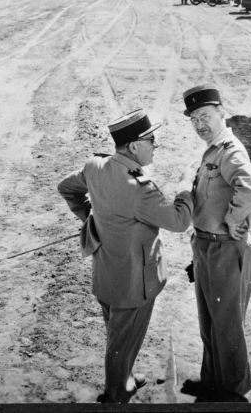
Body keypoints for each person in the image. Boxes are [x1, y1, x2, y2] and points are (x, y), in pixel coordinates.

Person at [57, 109, 194, 404]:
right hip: (134, 282)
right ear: (134, 146)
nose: (155, 145)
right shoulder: (140, 189)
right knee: (122, 341)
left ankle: (125, 379)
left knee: (118, 335)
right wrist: (184, 191)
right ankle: (118, 392)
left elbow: (66, 188)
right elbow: (179, 222)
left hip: (106, 272)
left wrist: (89, 218)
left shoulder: (95, 166)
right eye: (151, 140)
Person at [180, 85, 251, 403]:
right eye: (194, 119)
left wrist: (232, 220)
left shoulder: (230, 150)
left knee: (226, 326)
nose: (200, 124)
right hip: (207, 248)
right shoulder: (213, 149)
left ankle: (231, 392)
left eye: (205, 116)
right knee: (209, 321)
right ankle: (212, 381)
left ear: (221, 113)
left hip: (226, 248)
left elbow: (250, 190)